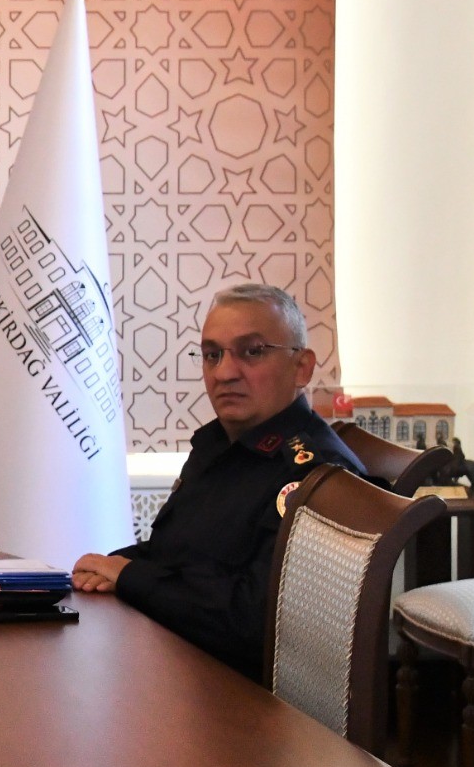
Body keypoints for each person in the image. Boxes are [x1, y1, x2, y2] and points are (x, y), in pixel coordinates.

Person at [70, 282, 364, 675]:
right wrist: (109, 567)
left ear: (302, 367)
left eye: (252, 352)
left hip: (246, 705)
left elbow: (253, 623)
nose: (224, 372)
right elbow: (175, 555)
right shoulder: (220, 445)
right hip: (177, 661)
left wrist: (130, 576)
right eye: (212, 355)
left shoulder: (313, 474)